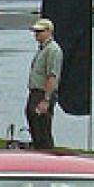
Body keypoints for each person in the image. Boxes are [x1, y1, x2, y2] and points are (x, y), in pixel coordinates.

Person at [26, 17, 63, 149]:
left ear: (49, 31)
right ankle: (39, 151)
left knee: (42, 128)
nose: (36, 34)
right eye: (35, 31)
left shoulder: (53, 50)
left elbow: (52, 76)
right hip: (35, 92)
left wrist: (46, 99)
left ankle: (46, 154)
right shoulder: (42, 49)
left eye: (40, 31)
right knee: (34, 124)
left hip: (43, 93)